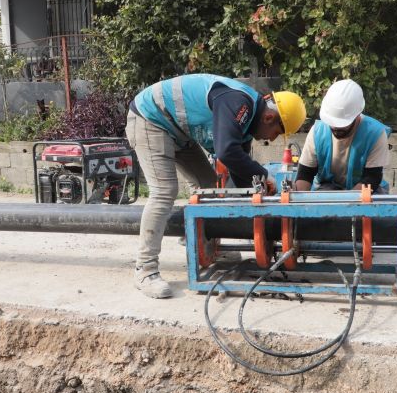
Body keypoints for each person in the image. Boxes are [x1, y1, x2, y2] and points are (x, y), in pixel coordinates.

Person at [126, 74, 307, 298]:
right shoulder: (239, 103)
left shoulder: (247, 120)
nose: (270, 139)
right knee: (165, 190)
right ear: (269, 118)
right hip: (150, 118)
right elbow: (227, 152)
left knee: (210, 187)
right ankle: (145, 270)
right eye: (277, 133)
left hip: (177, 130)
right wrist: (263, 174)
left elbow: (241, 174)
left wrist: (264, 198)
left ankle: (210, 245)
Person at [295, 79, 391, 193]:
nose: (335, 128)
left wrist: (348, 203)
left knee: (376, 202)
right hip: (328, 187)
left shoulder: (375, 134)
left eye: (341, 125)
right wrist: (299, 203)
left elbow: (372, 177)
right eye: (332, 123)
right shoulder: (317, 132)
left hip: (364, 189)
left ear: (357, 115)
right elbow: (305, 173)